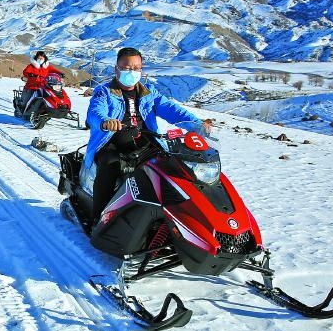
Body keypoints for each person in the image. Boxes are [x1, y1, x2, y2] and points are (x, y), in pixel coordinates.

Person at [82, 47, 213, 225]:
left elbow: (172, 110)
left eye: (136, 68)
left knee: (173, 166)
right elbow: (95, 111)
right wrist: (106, 121)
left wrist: (196, 123)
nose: (132, 72)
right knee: (109, 165)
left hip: (145, 142)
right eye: (127, 67)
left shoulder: (148, 93)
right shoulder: (104, 92)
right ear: (117, 69)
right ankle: (99, 218)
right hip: (112, 143)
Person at [16, 50, 61, 116]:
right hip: (32, 86)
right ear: (36, 58)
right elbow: (25, 72)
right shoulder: (31, 66)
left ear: (44, 58)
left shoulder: (46, 67)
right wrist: (30, 75)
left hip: (43, 87)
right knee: (27, 100)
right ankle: (22, 110)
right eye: (39, 58)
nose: (40, 59)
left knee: (49, 98)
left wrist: (60, 73)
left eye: (42, 58)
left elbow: (53, 70)